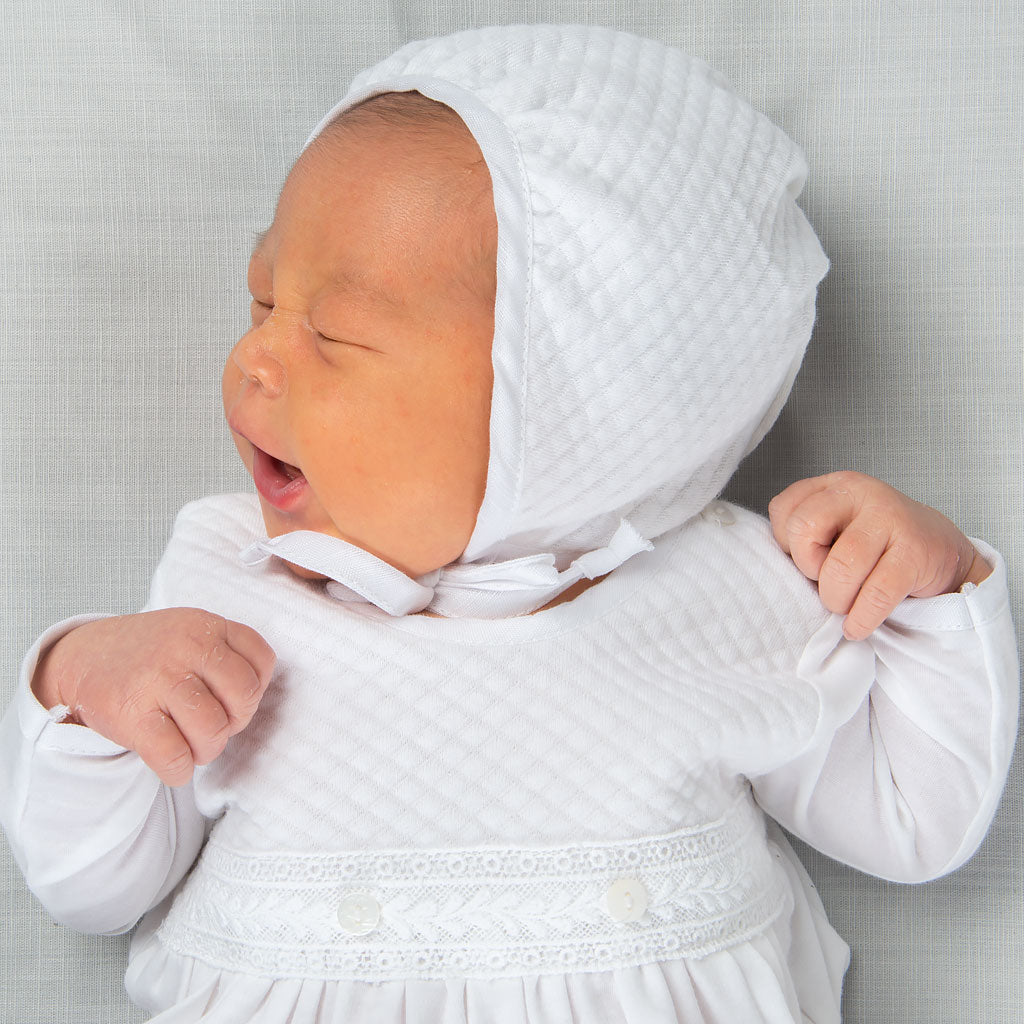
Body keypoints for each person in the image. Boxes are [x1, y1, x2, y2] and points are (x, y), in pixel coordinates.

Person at [0, 24, 1017, 1024]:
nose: (254, 360)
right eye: (262, 298)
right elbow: (92, 891)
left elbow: (914, 818)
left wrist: (924, 588)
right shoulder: (224, 588)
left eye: (336, 332)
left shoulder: (734, 588)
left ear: (575, 415)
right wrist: (89, 690)